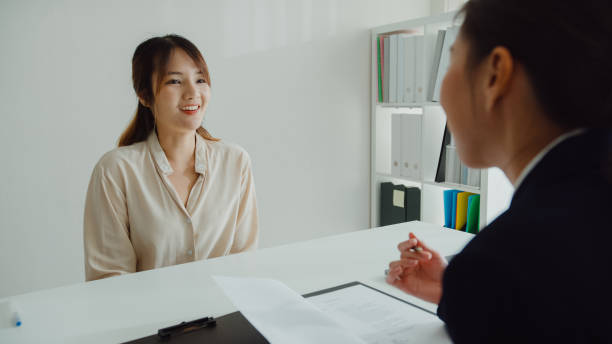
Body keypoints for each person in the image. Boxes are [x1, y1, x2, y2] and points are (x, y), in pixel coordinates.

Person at [386, 0, 612, 342]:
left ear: (495, 74)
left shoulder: (504, 262)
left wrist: (476, 288)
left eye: (452, 60)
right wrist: (457, 293)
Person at [83, 35, 259, 281]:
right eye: (175, 81)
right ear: (144, 96)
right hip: (152, 319)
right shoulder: (116, 171)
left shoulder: (235, 162)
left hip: (223, 316)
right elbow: (109, 278)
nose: (192, 93)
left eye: (200, 80)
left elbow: (245, 263)